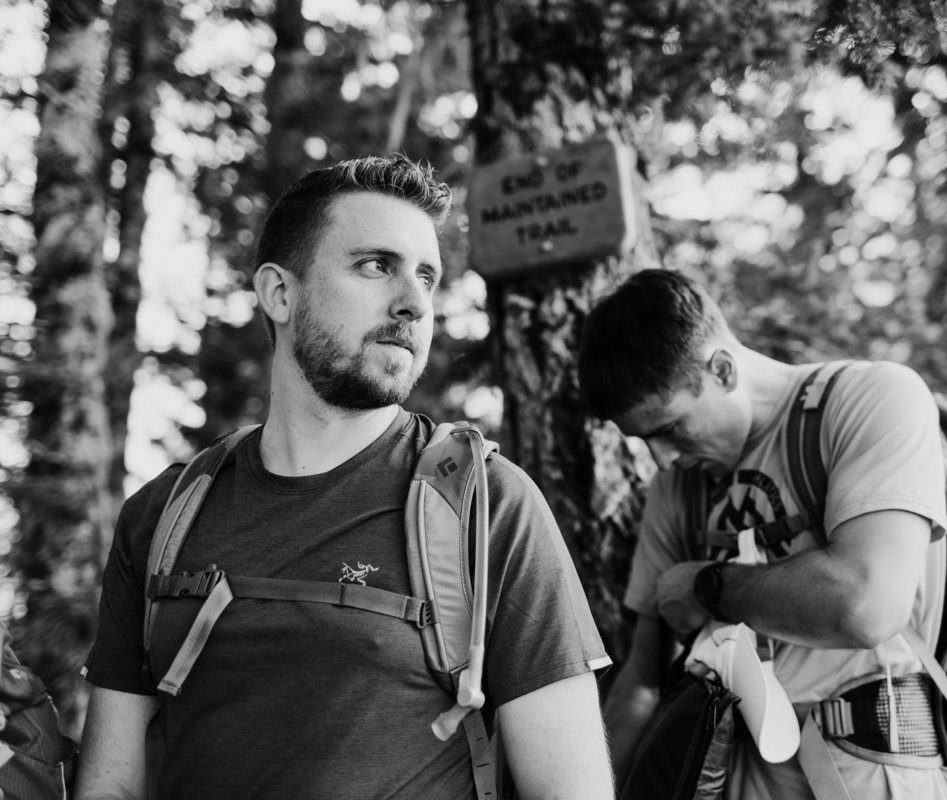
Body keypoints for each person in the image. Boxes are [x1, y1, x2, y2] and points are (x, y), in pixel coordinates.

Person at [75, 153, 615, 800]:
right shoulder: (163, 515)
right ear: (280, 293)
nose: (414, 302)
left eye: (426, 277)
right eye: (375, 266)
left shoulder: (487, 506)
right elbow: (111, 788)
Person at [578, 269, 947, 800]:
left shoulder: (870, 400)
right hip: (725, 775)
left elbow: (866, 604)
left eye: (668, 430)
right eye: (644, 441)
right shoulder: (676, 488)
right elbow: (642, 678)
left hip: (874, 769)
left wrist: (708, 587)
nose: (659, 460)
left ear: (722, 369)